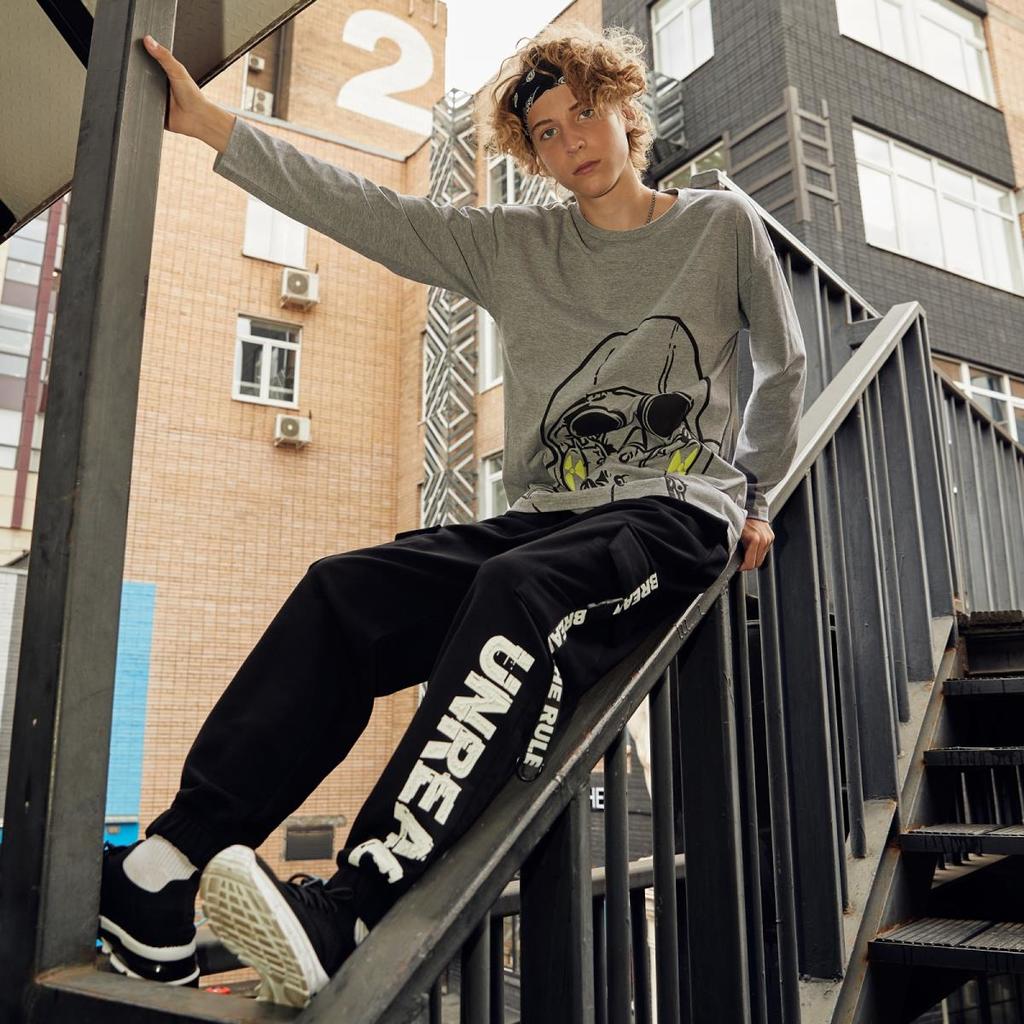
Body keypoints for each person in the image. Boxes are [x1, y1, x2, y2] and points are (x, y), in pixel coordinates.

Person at [96, 21, 806, 1008]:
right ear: (532, 155)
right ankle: (164, 867)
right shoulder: (516, 246)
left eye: (584, 114)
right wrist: (212, 125)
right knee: (345, 592)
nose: (571, 141)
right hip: (549, 515)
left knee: (519, 591)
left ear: (624, 109)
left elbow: (783, 362)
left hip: (671, 518)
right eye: (546, 133)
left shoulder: (718, 225)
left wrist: (755, 495)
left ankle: (353, 904)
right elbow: (375, 215)